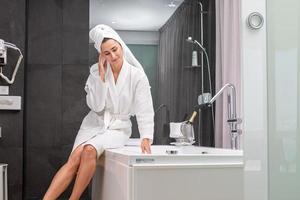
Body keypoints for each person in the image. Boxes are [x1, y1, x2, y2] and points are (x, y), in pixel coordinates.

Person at [43, 24, 154, 200]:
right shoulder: (95, 72)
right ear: (101, 55)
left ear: (121, 45)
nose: (113, 56)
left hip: (118, 128)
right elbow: (96, 106)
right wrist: (101, 77)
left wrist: (146, 136)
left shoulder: (136, 76)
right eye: (107, 53)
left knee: (88, 150)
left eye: (115, 49)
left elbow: (144, 108)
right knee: (74, 158)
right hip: (93, 123)